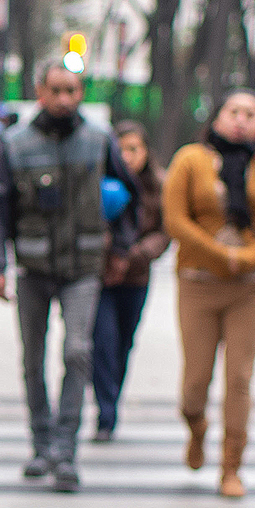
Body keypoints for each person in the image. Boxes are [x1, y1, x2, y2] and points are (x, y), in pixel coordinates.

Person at [0, 63, 138, 492]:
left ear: (81, 91)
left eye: (71, 90)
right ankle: (41, 442)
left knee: (77, 352)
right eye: (55, 90)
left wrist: (122, 248)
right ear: (39, 91)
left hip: (83, 267)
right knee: (33, 359)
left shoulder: (98, 139)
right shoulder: (13, 144)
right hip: (32, 267)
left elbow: (129, 193)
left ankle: (66, 450)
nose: (64, 99)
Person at [161, 88, 255, 499]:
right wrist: (221, 255)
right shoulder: (191, 159)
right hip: (198, 282)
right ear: (217, 117)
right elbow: (176, 219)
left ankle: (231, 466)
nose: (242, 120)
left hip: (250, 287)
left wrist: (250, 257)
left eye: (251, 114)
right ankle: (196, 426)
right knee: (194, 383)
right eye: (234, 111)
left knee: (239, 378)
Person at [91, 121, 169, 442]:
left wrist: (137, 252)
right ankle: (105, 411)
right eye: (121, 149)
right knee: (102, 342)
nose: (127, 156)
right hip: (101, 276)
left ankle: (111, 397)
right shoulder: (99, 181)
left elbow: (166, 231)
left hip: (136, 276)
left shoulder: (157, 185)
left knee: (124, 343)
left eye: (134, 149)